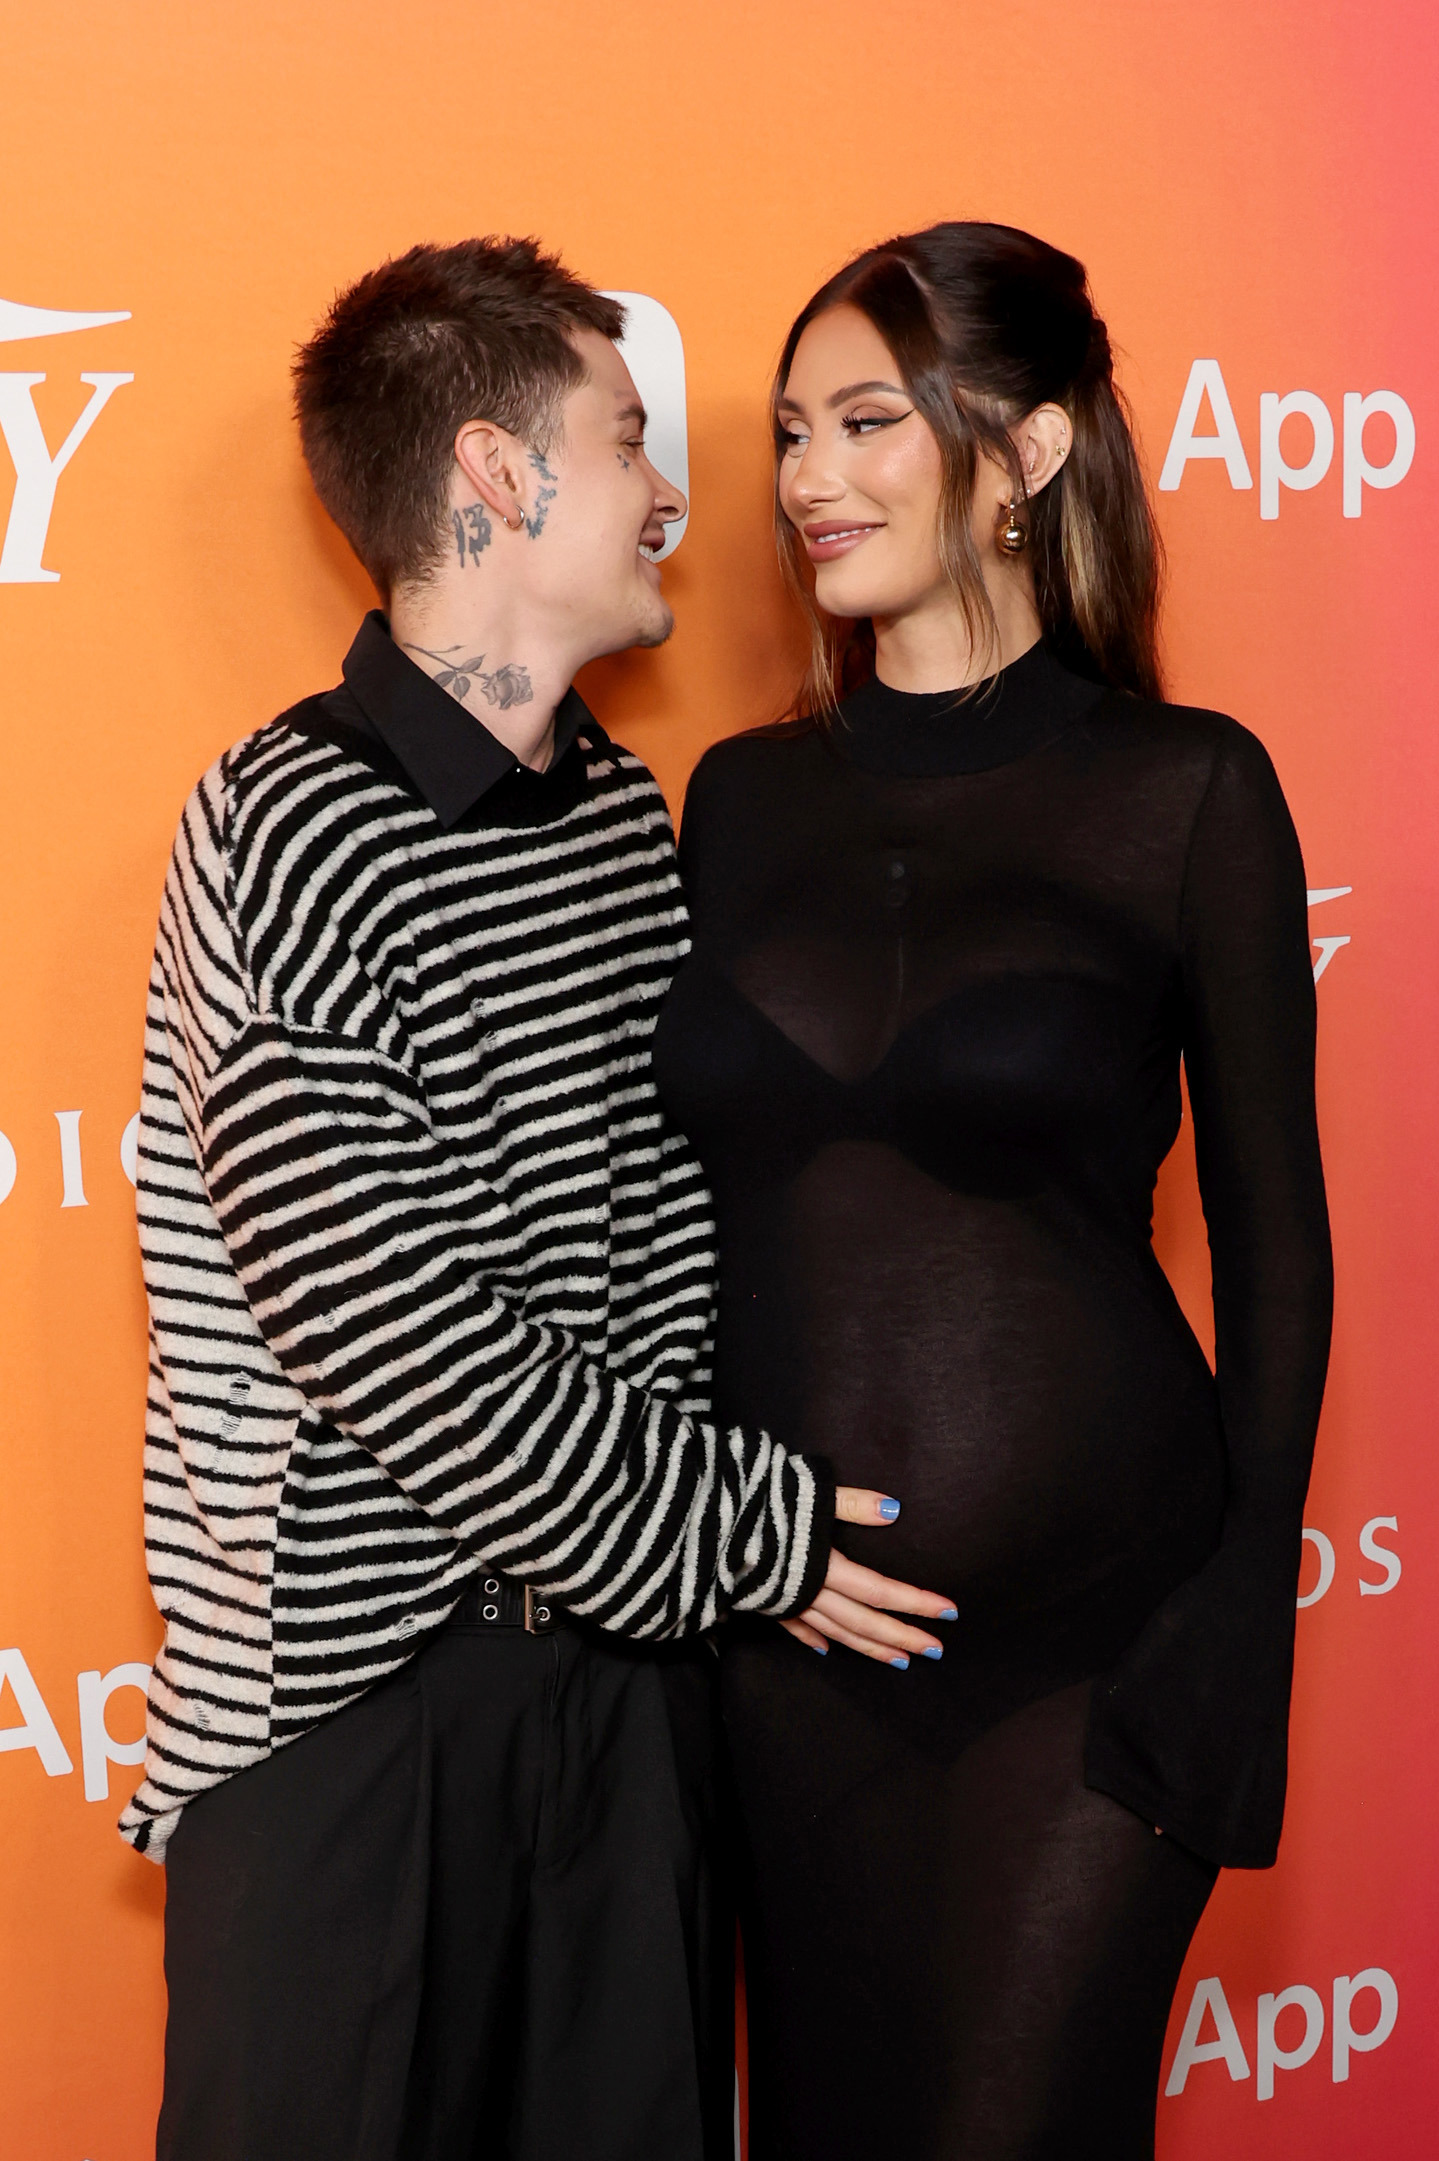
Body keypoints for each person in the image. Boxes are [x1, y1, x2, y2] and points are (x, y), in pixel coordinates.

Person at [121, 236, 952, 2161]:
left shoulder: (616, 825)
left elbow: (666, 1257)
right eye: (628, 437)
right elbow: (390, 1334)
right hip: (346, 1722)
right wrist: (747, 1533)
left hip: (622, 1706)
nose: (677, 492)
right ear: (498, 473)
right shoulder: (284, 826)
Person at [653, 222, 1333, 2160]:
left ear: (1026, 454)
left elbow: (1280, 1253)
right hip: (785, 1652)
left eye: (868, 420)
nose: (803, 479)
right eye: (791, 431)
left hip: (1095, 1643)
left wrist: (1242, 1621)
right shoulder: (739, 801)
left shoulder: (1190, 790)